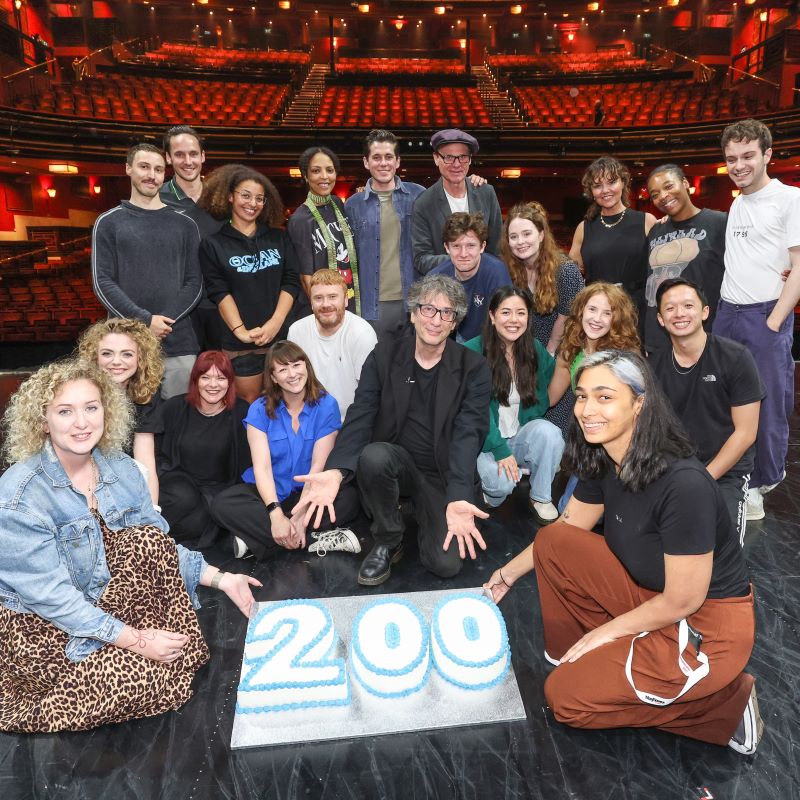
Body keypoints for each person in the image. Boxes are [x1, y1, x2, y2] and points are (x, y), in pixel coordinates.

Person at [484, 350, 760, 756]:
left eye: (604, 397)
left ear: (639, 403)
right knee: (553, 543)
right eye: (581, 396)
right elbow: (564, 529)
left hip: (707, 627)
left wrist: (605, 632)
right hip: (653, 595)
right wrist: (506, 574)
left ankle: (722, 706)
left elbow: (685, 599)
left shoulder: (685, 485)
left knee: (565, 700)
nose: (587, 409)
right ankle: (586, 659)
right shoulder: (607, 459)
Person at [0, 360, 260, 733]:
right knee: (147, 676)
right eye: (65, 411)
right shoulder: (18, 495)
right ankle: (104, 664)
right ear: (43, 422)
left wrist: (221, 578)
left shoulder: (119, 469)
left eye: (91, 407)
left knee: (147, 541)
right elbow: (52, 598)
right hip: (43, 627)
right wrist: (138, 641)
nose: (82, 422)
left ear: (106, 410)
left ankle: (141, 647)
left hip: (100, 596)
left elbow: (159, 543)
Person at [293, 274, 491, 587]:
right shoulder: (384, 356)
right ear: (413, 313)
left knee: (445, 565)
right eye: (428, 309)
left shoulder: (474, 368)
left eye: (446, 313)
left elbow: (469, 435)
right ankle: (388, 538)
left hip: (442, 473)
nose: (436, 320)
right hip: (394, 463)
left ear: (455, 322)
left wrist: (458, 496)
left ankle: (425, 511)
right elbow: (361, 414)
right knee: (373, 456)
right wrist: (335, 471)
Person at [713, 118, 800, 520]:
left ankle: (761, 486)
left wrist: (775, 320)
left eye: (748, 156)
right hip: (727, 314)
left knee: (767, 407)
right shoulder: (738, 201)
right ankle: (731, 472)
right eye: (731, 158)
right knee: (723, 400)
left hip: (765, 315)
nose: (739, 164)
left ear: (767, 154)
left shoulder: (790, 198)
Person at [210, 341, 361, 561]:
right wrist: (275, 514)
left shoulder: (327, 405)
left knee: (350, 499)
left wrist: (299, 516)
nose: (292, 374)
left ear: (306, 367)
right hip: (269, 494)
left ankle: (257, 540)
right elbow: (261, 468)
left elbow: (318, 466)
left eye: (296, 365)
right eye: (282, 369)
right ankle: (314, 540)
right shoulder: (259, 409)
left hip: (309, 493)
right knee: (222, 504)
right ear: (273, 377)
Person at [650, 278, 764, 544]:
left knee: (721, 549)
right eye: (670, 308)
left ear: (704, 312)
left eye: (688, 305)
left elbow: (746, 433)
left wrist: (703, 478)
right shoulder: (654, 365)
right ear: (660, 319)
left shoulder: (735, 358)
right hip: (674, 468)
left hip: (724, 472)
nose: (679, 313)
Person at [91, 143, 203, 399]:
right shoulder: (108, 222)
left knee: (178, 424)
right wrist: (144, 322)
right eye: (144, 167)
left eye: (159, 169)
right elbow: (103, 282)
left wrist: (162, 321)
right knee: (126, 426)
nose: (152, 175)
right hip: (125, 345)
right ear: (129, 168)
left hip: (178, 342)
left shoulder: (185, 224)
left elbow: (194, 282)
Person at [198, 164, 300, 403]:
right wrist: (241, 332)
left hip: (280, 339)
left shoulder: (279, 237)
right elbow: (218, 291)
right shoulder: (213, 244)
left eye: (259, 198)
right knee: (250, 406)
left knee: (285, 403)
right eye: (245, 195)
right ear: (230, 196)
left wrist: (275, 324)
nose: (252, 203)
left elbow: (291, 280)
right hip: (240, 344)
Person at [464, 287, 563, 524]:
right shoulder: (471, 351)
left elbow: (546, 386)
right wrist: (500, 450)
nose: (513, 320)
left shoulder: (534, 349)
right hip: (484, 443)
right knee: (501, 486)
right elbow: (474, 412)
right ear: (492, 315)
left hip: (518, 435)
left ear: (528, 317)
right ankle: (490, 489)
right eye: (506, 312)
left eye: (521, 313)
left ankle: (540, 496)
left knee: (550, 433)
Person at [548, 283, 641, 509]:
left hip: (623, 446)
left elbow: (639, 411)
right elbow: (549, 398)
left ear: (616, 319)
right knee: (565, 506)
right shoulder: (571, 349)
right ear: (581, 311)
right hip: (589, 444)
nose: (597, 318)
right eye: (592, 309)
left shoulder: (626, 356)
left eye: (607, 313)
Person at [501, 200, 585, 434]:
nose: (520, 242)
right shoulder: (510, 269)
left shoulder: (565, 269)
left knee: (553, 423)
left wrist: (548, 351)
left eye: (527, 234)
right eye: (514, 236)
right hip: (526, 353)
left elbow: (568, 317)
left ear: (541, 234)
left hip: (561, 352)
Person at [157, 351, 251, 548]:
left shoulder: (242, 412)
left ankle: (155, 541)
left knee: (199, 523)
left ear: (230, 382)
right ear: (195, 380)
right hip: (178, 483)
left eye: (221, 378)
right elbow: (156, 455)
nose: (213, 385)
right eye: (205, 377)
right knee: (183, 497)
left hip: (215, 491)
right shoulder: (174, 407)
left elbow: (247, 464)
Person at [344, 129, 426, 339]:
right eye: (376, 157)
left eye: (389, 157)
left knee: (412, 365)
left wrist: (472, 182)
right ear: (366, 162)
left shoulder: (419, 195)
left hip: (415, 300)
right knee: (377, 365)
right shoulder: (353, 205)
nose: (383, 163)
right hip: (372, 304)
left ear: (397, 161)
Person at [77, 318, 165, 506]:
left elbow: (144, 458)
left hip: (124, 472)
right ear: (95, 357)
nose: (116, 362)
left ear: (140, 359)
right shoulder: (79, 392)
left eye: (127, 354)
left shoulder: (145, 393)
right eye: (107, 354)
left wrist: (152, 515)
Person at [644, 164, 727, 354]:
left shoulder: (719, 222)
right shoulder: (656, 231)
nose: (663, 196)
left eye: (668, 186)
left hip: (705, 337)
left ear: (684, 183)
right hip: (660, 339)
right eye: (655, 194)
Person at [569, 156, 657, 326]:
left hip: (637, 311)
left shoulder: (647, 221)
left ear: (623, 183)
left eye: (612, 182)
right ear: (591, 192)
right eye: (597, 186)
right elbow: (571, 274)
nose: (605, 190)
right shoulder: (583, 227)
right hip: (597, 314)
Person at [161, 125, 225, 352]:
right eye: (179, 154)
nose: (187, 161)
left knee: (221, 377)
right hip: (180, 307)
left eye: (193, 154)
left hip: (222, 303)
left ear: (203, 156)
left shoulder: (222, 196)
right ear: (168, 158)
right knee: (186, 380)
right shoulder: (158, 198)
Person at [411, 128, 503, 276]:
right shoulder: (423, 203)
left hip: (484, 284)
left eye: (462, 157)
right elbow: (421, 259)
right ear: (436, 158)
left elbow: (498, 247)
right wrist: (461, 260)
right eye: (448, 157)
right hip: (444, 288)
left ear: (470, 159)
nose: (456, 164)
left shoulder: (486, 192)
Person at [288, 270, 377, 420]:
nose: (326, 304)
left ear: (346, 300)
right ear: (311, 302)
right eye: (318, 298)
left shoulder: (362, 333)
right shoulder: (297, 331)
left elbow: (369, 394)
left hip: (349, 421)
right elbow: (291, 384)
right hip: (308, 419)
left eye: (332, 297)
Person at [287, 146, 360, 316]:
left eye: (329, 170)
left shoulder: (339, 204)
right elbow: (306, 279)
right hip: (325, 309)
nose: (324, 176)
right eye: (316, 171)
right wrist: (326, 312)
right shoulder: (300, 220)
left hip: (349, 300)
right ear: (306, 176)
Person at [429, 212, 512, 342]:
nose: (463, 254)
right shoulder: (435, 277)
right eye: (456, 246)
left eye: (471, 246)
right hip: (450, 340)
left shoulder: (497, 273)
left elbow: (506, 324)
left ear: (482, 246)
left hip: (490, 341)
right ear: (446, 248)